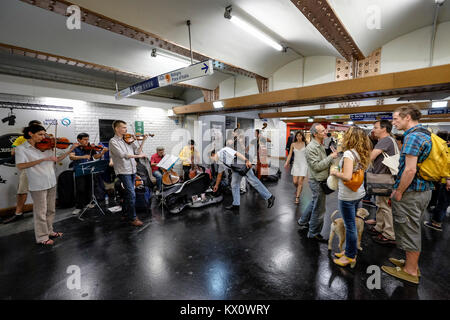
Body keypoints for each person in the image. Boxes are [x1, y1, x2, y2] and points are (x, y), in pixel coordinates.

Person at [381, 104, 434, 284]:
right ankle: (411, 263)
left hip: (411, 192)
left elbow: (410, 170)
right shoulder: (425, 134)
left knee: (409, 229)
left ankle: (410, 271)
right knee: (412, 226)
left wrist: (398, 191)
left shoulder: (412, 137)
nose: (393, 122)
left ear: (407, 117)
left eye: (396, 118)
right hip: (423, 190)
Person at [15, 124, 79, 245]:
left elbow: (57, 159)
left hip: (51, 181)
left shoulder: (48, 147)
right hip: (37, 184)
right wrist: (42, 160)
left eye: (44, 134)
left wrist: (71, 150)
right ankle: (42, 237)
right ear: (30, 134)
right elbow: (20, 166)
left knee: (51, 210)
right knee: (41, 212)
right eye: (40, 134)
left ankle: (50, 231)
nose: (43, 137)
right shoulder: (22, 149)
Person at [330, 126, 372, 267]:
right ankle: (349, 250)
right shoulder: (361, 153)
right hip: (358, 193)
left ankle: (349, 256)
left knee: (350, 226)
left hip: (347, 196)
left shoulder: (349, 154)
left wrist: (335, 172)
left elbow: (347, 176)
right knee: (352, 224)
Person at [298, 123, 338, 242]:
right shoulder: (311, 148)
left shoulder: (321, 144)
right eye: (322, 131)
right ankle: (313, 233)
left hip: (320, 179)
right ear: (315, 134)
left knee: (314, 202)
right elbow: (316, 166)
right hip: (317, 181)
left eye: (325, 130)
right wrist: (331, 157)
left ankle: (303, 221)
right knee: (319, 209)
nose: (325, 132)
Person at [109, 120, 147, 227]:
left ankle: (125, 213)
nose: (126, 129)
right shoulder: (113, 141)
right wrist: (138, 157)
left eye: (126, 127)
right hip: (123, 171)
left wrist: (143, 141)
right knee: (131, 193)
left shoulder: (128, 139)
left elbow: (138, 151)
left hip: (132, 170)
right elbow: (122, 155)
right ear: (117, 129)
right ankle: (133, 218)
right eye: (124, 127)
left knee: (128, 193)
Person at [210, 148, 275, 211]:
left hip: (243, 164)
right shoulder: (220, 162)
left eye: (212, 158)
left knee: (253, 181)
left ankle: (270, 197)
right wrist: (216, 185)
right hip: (236, 170)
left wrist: (246, 161)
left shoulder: (224, 150)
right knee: (234, 185)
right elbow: (219, 174)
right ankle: (236, 205)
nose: (213, 160)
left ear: (213, 154)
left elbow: (237, 154)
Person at [3, 120, 42, 224]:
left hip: (42, 168)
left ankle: (41, 212)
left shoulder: (43, 139)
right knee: (22, 191)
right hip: (28, 168)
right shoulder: (21, 139)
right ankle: (18, 213)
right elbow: (13, 152)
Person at [366, 120, 397, 245]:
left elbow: (371, 157)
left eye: (375, 127)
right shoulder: (387, 140)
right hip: (382, 177)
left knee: (385, 206)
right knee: (380, 204)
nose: (373, 130)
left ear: (384, 129)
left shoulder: (385, 140)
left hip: (384, 178)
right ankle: (379, 227)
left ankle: (389, 234)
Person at [69, 133, 109, 215]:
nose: (87, 141)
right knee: (80, 189)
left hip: (89, 170)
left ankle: (88, 203)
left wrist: (102, 153)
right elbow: (71, 157)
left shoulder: (90, 147)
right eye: (84, 139)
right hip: (79, 170)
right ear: (79, 140)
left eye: (87, 139)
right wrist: (83, 157)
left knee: (89, 187)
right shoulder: (75, 147)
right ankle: (79, 207)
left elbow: (96, 157)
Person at [424, 131, 450, 232]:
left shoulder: (446, 149)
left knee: (443, 203)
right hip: (443, 179)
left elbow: (447, 164)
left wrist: (447, 179)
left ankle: (436, 223)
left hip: (445, 180)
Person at [284, 130, 308, 204]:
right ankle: (298, 189)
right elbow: (290, 154)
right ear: (296, 137)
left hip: (304, 164)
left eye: (300, 136)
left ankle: (297, 197)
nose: (298, 137)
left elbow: (310, 153)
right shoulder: (293, 144)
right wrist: (287, 162)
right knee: (295, 182)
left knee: (300, 182)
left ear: (302, 136)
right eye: (297, 136)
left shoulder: (306, 144)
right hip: (296, 164)